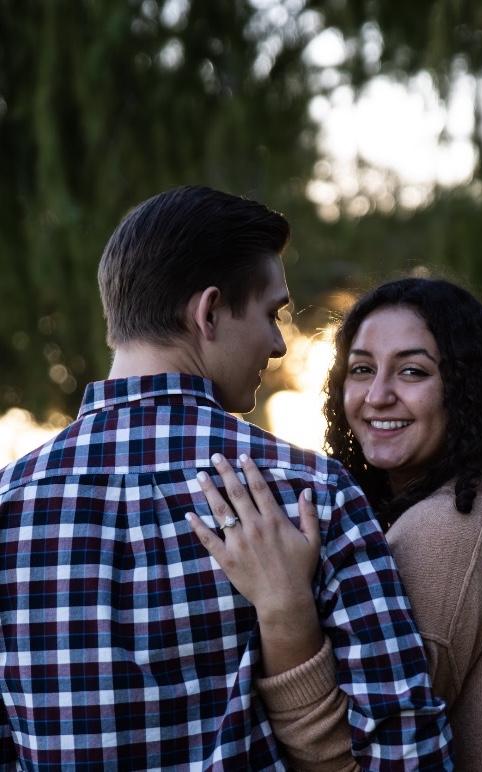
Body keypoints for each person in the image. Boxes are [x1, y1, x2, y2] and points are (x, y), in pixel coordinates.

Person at [0, 187, 453, 770]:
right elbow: (406, 751)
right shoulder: (311, 493)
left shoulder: (10, 505)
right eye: (271, 314)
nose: (279, 344)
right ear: (209, 312)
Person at [188, 277, 482, 770]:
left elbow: (361, 760)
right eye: (362, 369)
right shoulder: (477, 501)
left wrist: (284, 608)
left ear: (466, 388)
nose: (377, 396)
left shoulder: (445, 530)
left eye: (412, 371)